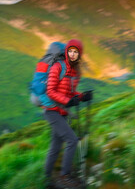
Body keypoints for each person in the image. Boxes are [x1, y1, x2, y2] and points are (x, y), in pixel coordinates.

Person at [44, 39, 93, 188]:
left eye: (75, 52)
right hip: (52, 110)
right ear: (67, 51)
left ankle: (47, 180)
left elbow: (70, 93)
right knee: (72, 140)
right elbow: (50, 91)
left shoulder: (75, 72)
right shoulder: (58, 67)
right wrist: (67, 101)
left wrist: (81, 96)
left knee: (56, 146)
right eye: (70, 51)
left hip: (63, 112)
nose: (72, 54)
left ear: (79, 54)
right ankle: (65, 176)